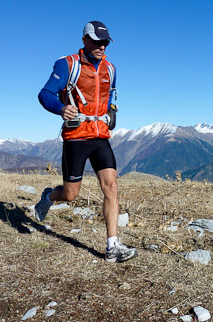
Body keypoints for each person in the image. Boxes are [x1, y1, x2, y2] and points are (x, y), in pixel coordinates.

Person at [35, 21, 137, 263]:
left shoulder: (110, 68)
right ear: (84, 40)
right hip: (76, 136)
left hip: (101, 135)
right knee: (71, 195)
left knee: (111, 186)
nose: (102, 46)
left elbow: (112, 92)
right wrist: (61, 108)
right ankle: (49, 197)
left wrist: (111, 110)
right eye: (97, 41)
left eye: (105, 42)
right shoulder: (67, 65)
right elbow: (45, 94)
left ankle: (112, 246)